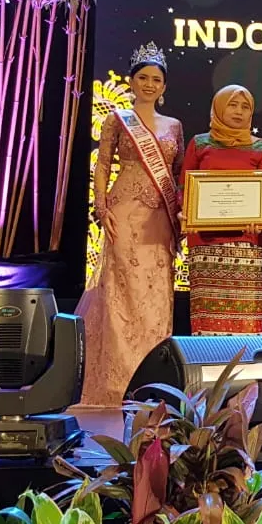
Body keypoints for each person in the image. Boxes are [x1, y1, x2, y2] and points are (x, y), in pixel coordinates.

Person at [75, 42, 183, 407]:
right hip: (124, 213)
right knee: (123, 292)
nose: (150, 84)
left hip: (160, 218)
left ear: (164, 86)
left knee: (156, 293)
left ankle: (155, 377)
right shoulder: (117, 119)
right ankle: (117, 380)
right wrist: (101, 206)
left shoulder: (175, 126)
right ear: (132, 81)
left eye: (156, 79)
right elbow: (103, 164)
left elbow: (178, 174)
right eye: (143, 78)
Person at [179, 85, 262, 335]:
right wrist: (185, 210)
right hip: (205, 242)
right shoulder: (199, 143)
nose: (239, 111)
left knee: (245, 321)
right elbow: (184, 187)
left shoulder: (260, 147)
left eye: (245, 107)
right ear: (219, 107)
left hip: (247, 243)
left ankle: (245, 363)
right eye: (232, 104)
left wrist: (261, 218)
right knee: (207, 323)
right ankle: (209, 363)